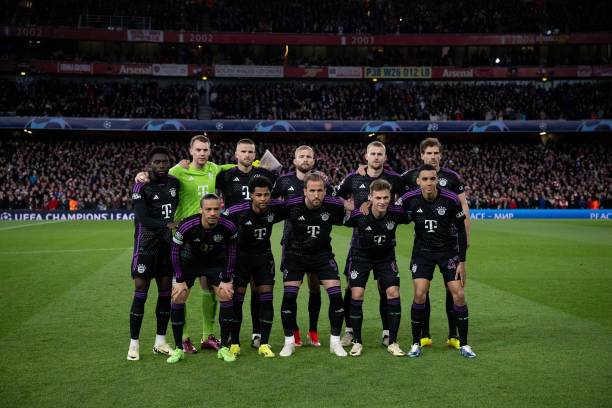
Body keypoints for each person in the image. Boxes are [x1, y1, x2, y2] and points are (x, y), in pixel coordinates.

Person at [137, 134, 234, 353]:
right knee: (181, 289)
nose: (202, 153)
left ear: (210, 151)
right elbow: (156, 175)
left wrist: (255, 163)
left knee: (209, 286)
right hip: (184, 237)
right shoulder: (177, 171)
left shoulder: (214, 168)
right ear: (190, 151)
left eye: (205, 150)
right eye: (198, 149)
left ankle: (207, 336)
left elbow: (235, 165)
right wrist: (141, 174)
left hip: (208, 236)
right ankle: (185, 338)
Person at [396, 164, 475, 359]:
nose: (429, 183)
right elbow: (391, 212)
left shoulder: (450, 199)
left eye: (433, 179)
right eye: (425, 179)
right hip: (422, 252)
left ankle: (464, 344)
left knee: (459, 294)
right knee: (420, 294)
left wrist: (462, 261)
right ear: (418, 181)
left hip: (447, 252)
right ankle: (415, 343)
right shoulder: (408, 199)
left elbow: (462, 230)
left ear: (437, 179)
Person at [335, 141, 403, 347]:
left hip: (385, 243)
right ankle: (349, 331)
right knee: (351, 287)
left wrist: (392, 207)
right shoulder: (354, 178)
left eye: (379, 154)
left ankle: (386, 332)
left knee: (386, 288)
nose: (376, 157)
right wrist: (351, 206)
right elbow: (334, 196)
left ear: (385, 157)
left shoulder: (394, 179)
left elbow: (408, 198)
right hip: (359, 243)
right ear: (366, 156)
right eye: (372, 153)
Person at [278, 172, 349, 357]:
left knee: (335, 296)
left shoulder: (333, 205)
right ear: (305, 191)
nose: (316, 195)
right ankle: (289, 342)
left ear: (325, 191)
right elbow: (268, 210)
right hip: (296, 255)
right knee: (289, 297)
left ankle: (335, 342)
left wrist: (359, 207)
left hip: (322, 255)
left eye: (320, 190)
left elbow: (349, 218)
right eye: (312, 191)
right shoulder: (292, 205)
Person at [216, 139, 278, 349]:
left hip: (259, 240)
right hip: (235, 241)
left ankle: (257, 333)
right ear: (236, 154)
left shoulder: (265, 174)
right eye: (243, 151)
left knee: (259, 291)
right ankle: (233, 338)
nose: (247, 155)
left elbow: (280, 189)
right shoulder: (225, 175)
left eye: (251, 151)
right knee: (236, 294)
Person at [271, 145, 334, 348]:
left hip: (317, 243)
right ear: (295, 159)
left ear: (314, 160)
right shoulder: (284, 181)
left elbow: (333, 202)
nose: (305, 159)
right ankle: (294, 332)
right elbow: (270, 204)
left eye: (309, 156)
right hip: (291, 243)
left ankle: (313, 331)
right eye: (301, 156)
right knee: (292, 289)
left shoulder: (322, 182)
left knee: (315, 288)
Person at [166, 194, 239, 363]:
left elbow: (232, 252)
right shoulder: (187, 225)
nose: (213, 213)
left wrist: (227, 279)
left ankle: (225, 348)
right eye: (208, 209)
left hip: (214, 263)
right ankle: (178, 348)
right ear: (201, 210)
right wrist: (179, 279)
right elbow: (175, 251)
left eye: (216, 209)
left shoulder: (228, 225)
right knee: (178, 295)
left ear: (220, 209)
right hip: (189, 261)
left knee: (226, 294)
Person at [343, 179, 411, 357]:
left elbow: (413, 211)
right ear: (370, 197)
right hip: (361, 257)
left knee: (393, 293)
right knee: (356, 294)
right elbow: (342, 218)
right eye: (378, 197)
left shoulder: (396, 213)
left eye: (386, 197)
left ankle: (393, 341)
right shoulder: (359, 214)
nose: (382, 201)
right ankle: (357, 341)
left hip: (386, 258)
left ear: (391, 197)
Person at [127, 146, 180, 361]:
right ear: (150, 163)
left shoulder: (175, 183)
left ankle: (160, 341)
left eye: (165, 162)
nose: (161, 165)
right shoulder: (141, 186)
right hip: (145, 246)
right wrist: (168, 225)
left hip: (167, 247)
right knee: (141, 290)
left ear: (170, 163)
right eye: (157, 162)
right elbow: (142, 218)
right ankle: (134, 344)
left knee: (165, 292)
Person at [225, 176, 285, 358]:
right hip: (240, 260)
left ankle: (264, 344)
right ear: (251, 195)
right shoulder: (236, 212)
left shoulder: (275, 208)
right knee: (238, 301)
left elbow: (298, 202)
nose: (263, 199)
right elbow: (221, 230)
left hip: (264, 259)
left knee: (266, 299)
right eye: (258, 195)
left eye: (266, 195)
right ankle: (234, 343)